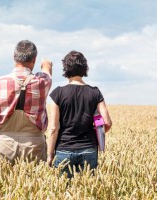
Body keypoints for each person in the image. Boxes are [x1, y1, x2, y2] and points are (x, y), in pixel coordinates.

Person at [0, 40, 52, 165]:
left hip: (5, 144)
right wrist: (46, 63)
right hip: (34, 145)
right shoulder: (42, 81)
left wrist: (4, 112)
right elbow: (47, 71)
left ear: (14, 57)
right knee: (36, 182)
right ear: (34, 59)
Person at [47, 50, 112, 178]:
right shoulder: (95, 93)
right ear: (84, 68)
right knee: (88, 192)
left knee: (62, 191)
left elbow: (54, 128)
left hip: (64, 149)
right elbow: (107, 123)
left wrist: (50, 154)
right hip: (89, 149)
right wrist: (95, 134)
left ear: (66, 68)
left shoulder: (58, 93)